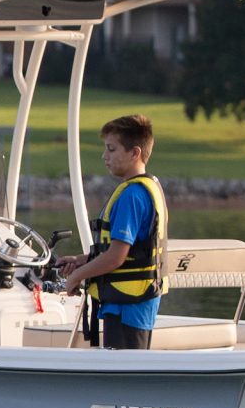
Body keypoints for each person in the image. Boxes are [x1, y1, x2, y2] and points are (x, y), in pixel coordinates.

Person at [52, 114, 167, 350]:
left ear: (135, 153)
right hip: (135, 301)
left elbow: (116, 257)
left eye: (111, 149)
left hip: (128, 306)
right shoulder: (146, 188)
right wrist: (80, 261)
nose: (105, 156)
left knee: (127, 376)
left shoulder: (132, 196)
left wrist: (77, 276)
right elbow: (129, 251)